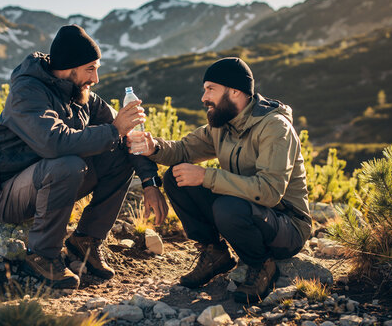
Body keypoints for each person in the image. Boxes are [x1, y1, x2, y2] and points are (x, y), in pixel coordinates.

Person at [0, 24, 169, 288]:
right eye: (91, 68)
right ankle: (42, 255)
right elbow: (53, 144)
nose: (96, 78)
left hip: (48, 182)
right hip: (5, 194)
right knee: (68, 163)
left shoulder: (83, 95)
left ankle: (86, 241)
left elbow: (126, 136)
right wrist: (115, 130)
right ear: (70, 68)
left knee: (118, 151)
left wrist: (150, 182)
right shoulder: (27, 93)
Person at [128, 57, 312, 303]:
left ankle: (261, 266)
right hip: (248, 211)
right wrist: (154, 147)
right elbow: (183, 150)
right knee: (176, 176)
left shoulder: (274, 128)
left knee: (227, 207)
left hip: (286, 225)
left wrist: (206, 176)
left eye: (210, 89)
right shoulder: (223, 123)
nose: (204, 97)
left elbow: (269, 192)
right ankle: (215, 253)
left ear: (235, 91)